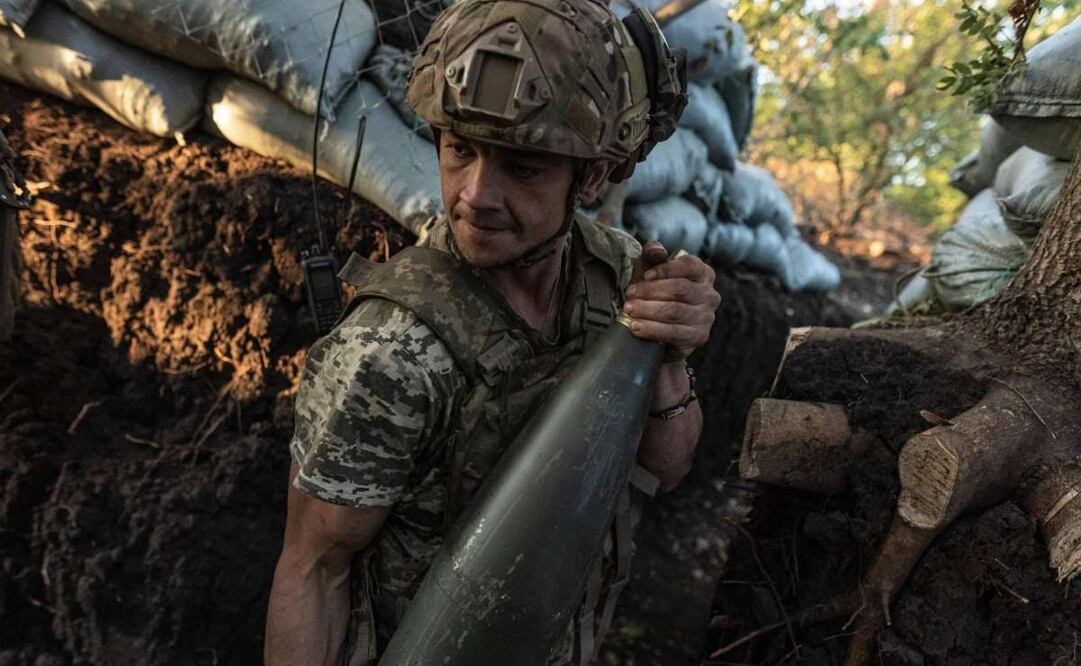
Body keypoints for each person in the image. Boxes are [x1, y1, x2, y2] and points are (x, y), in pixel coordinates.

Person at [265, 0, 721, 663]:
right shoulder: (390, 352)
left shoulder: (619, 274)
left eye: (523, 166)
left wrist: (668, 346)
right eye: (460, 150)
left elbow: (668, 465)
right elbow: (314, 569)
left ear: (592, 174)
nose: (474, 195)